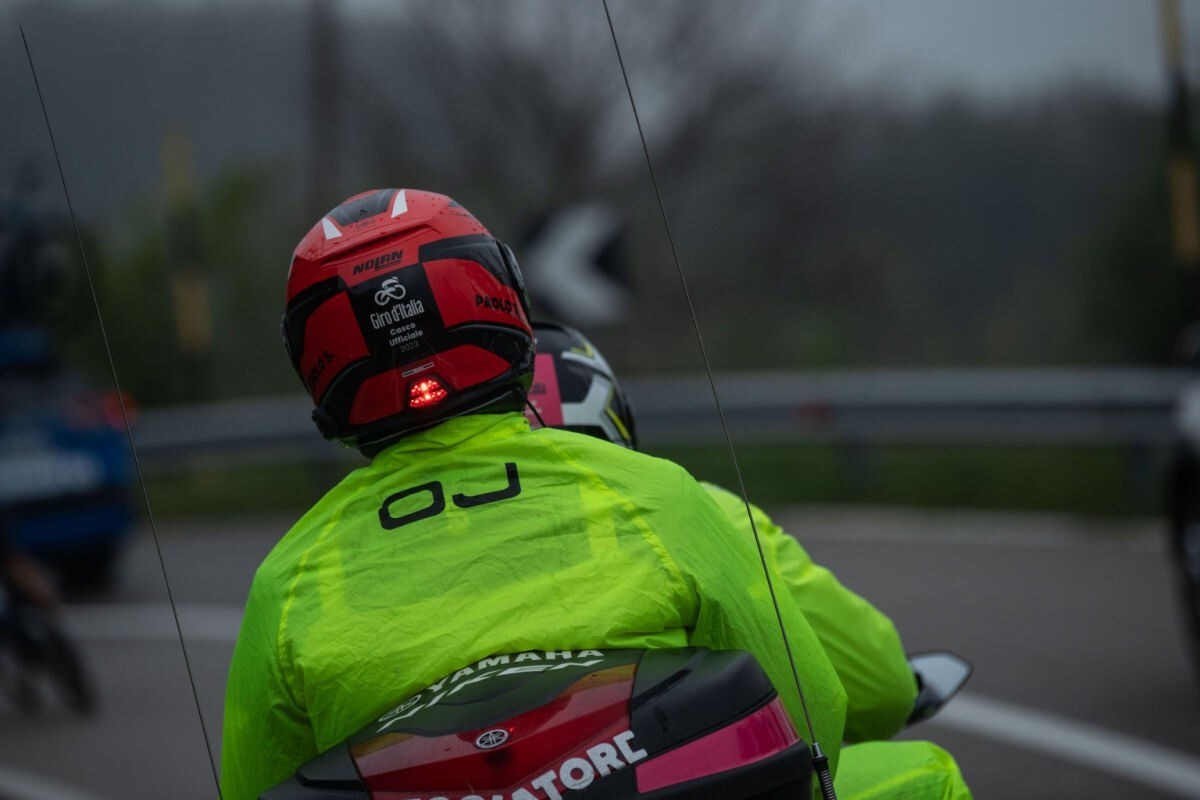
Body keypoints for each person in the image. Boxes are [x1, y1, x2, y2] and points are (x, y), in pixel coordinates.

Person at [222, 189, 862, 799]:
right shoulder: (653, 495)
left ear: (316, 363)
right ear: (501, 298)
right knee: (928, 771)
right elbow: (814, 713)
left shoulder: (287, 586)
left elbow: (250, 790)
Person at [525, 320, 971, 799]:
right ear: (615, 418)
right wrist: (900, 692)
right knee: (927, 774)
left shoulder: (443, 533)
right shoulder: (693, 507)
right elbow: (877, 687)